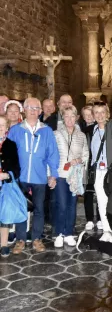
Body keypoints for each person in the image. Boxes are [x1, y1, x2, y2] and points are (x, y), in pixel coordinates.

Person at [8, 97, 59, 254]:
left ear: (40, 111)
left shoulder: (46, 131)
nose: (33, 111)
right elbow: (9, 155)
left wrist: (53, 175)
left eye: (37, 108)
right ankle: (21, 239)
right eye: (30, 108)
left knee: (39, 209)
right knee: (21, 208)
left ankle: (36, 238)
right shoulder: (16, 130)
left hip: (39, 177)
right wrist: (10, 175)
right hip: (20, 178)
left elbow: (53, 154)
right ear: (25, 109)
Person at [85, 102, 112, 242]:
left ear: (107, 113)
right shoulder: (92, 130)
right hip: (98, 172)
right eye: (96, 112)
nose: (100, 115)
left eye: (102, 112)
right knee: (102, 202)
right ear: (93, 115)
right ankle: (107, 231)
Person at [54, 105, 89, 248]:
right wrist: (51, 175)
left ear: (76, 118)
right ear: (63, 117)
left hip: (75, 175)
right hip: (61, 174)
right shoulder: (56, 134)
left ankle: (68, 233)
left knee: (72, 205)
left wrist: (79, 160)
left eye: (72, 116)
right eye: (66, 116)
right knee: (61, 205)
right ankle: (59, 234)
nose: (69, 119)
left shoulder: (81, 136)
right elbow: (51, 155)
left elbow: (86, 154)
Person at [0, 115, 21, 257]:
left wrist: (7, 175)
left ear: (7, 128)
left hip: (5, 185)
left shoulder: (11, 145)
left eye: (2, 125)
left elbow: (17, 168)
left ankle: (3, 245)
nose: (0, 128)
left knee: (5, 214)